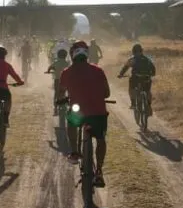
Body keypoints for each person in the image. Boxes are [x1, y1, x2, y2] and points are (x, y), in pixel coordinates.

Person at [58, 40, 111, 187]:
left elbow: (61, 92)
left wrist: (62, 100)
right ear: (87, 55)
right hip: (98, 112)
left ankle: (75, 151)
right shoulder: (98, 70)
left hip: (78, 111)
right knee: (100, 139)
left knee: (72, 123)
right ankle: (99, 171)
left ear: (72, 55)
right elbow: (107, 93)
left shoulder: (66, 72)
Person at [118, 43, 157, 115]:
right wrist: (152, 74)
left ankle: (133, 103)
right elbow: (153, 68)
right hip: (146, 77)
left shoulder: (132, 59)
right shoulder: (148, 59)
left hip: (136, 78)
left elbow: (125, 68)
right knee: (148, 91)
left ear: (133, 51)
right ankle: (148, 105)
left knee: (131, 88)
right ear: (142, 51)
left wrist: (121, 74)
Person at [45, 47, 70, 115]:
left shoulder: (56, 63)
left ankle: (55, 109)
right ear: (65, 55)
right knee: (69, 92)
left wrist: (48, 71)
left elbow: (50, 67)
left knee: (56, 94)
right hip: (66, 81)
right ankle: (70, 106)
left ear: (58, 55)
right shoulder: (67, 63)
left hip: (57, 80)